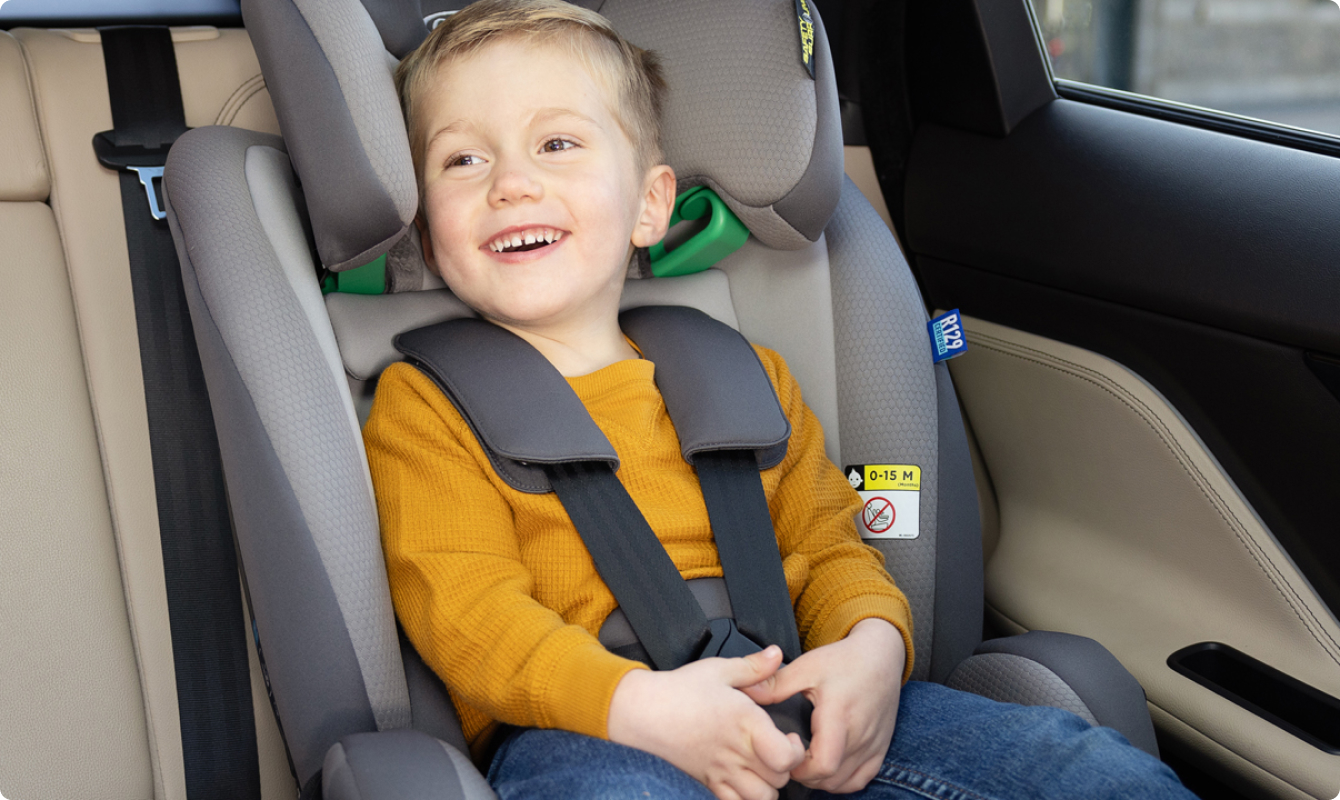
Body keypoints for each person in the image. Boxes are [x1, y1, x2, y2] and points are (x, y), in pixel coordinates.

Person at [364, 2, 1197, 798]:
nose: (510, 182)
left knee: (1082, 771)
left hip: (798, 693)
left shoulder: (745, 377)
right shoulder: (426, 408)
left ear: (651, 204)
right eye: (462, 159)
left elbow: (832, 548)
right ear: (427, 225)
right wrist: (638, 707)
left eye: (556, 143)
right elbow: (467, 614)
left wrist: (871, 650)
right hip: (594, 731)